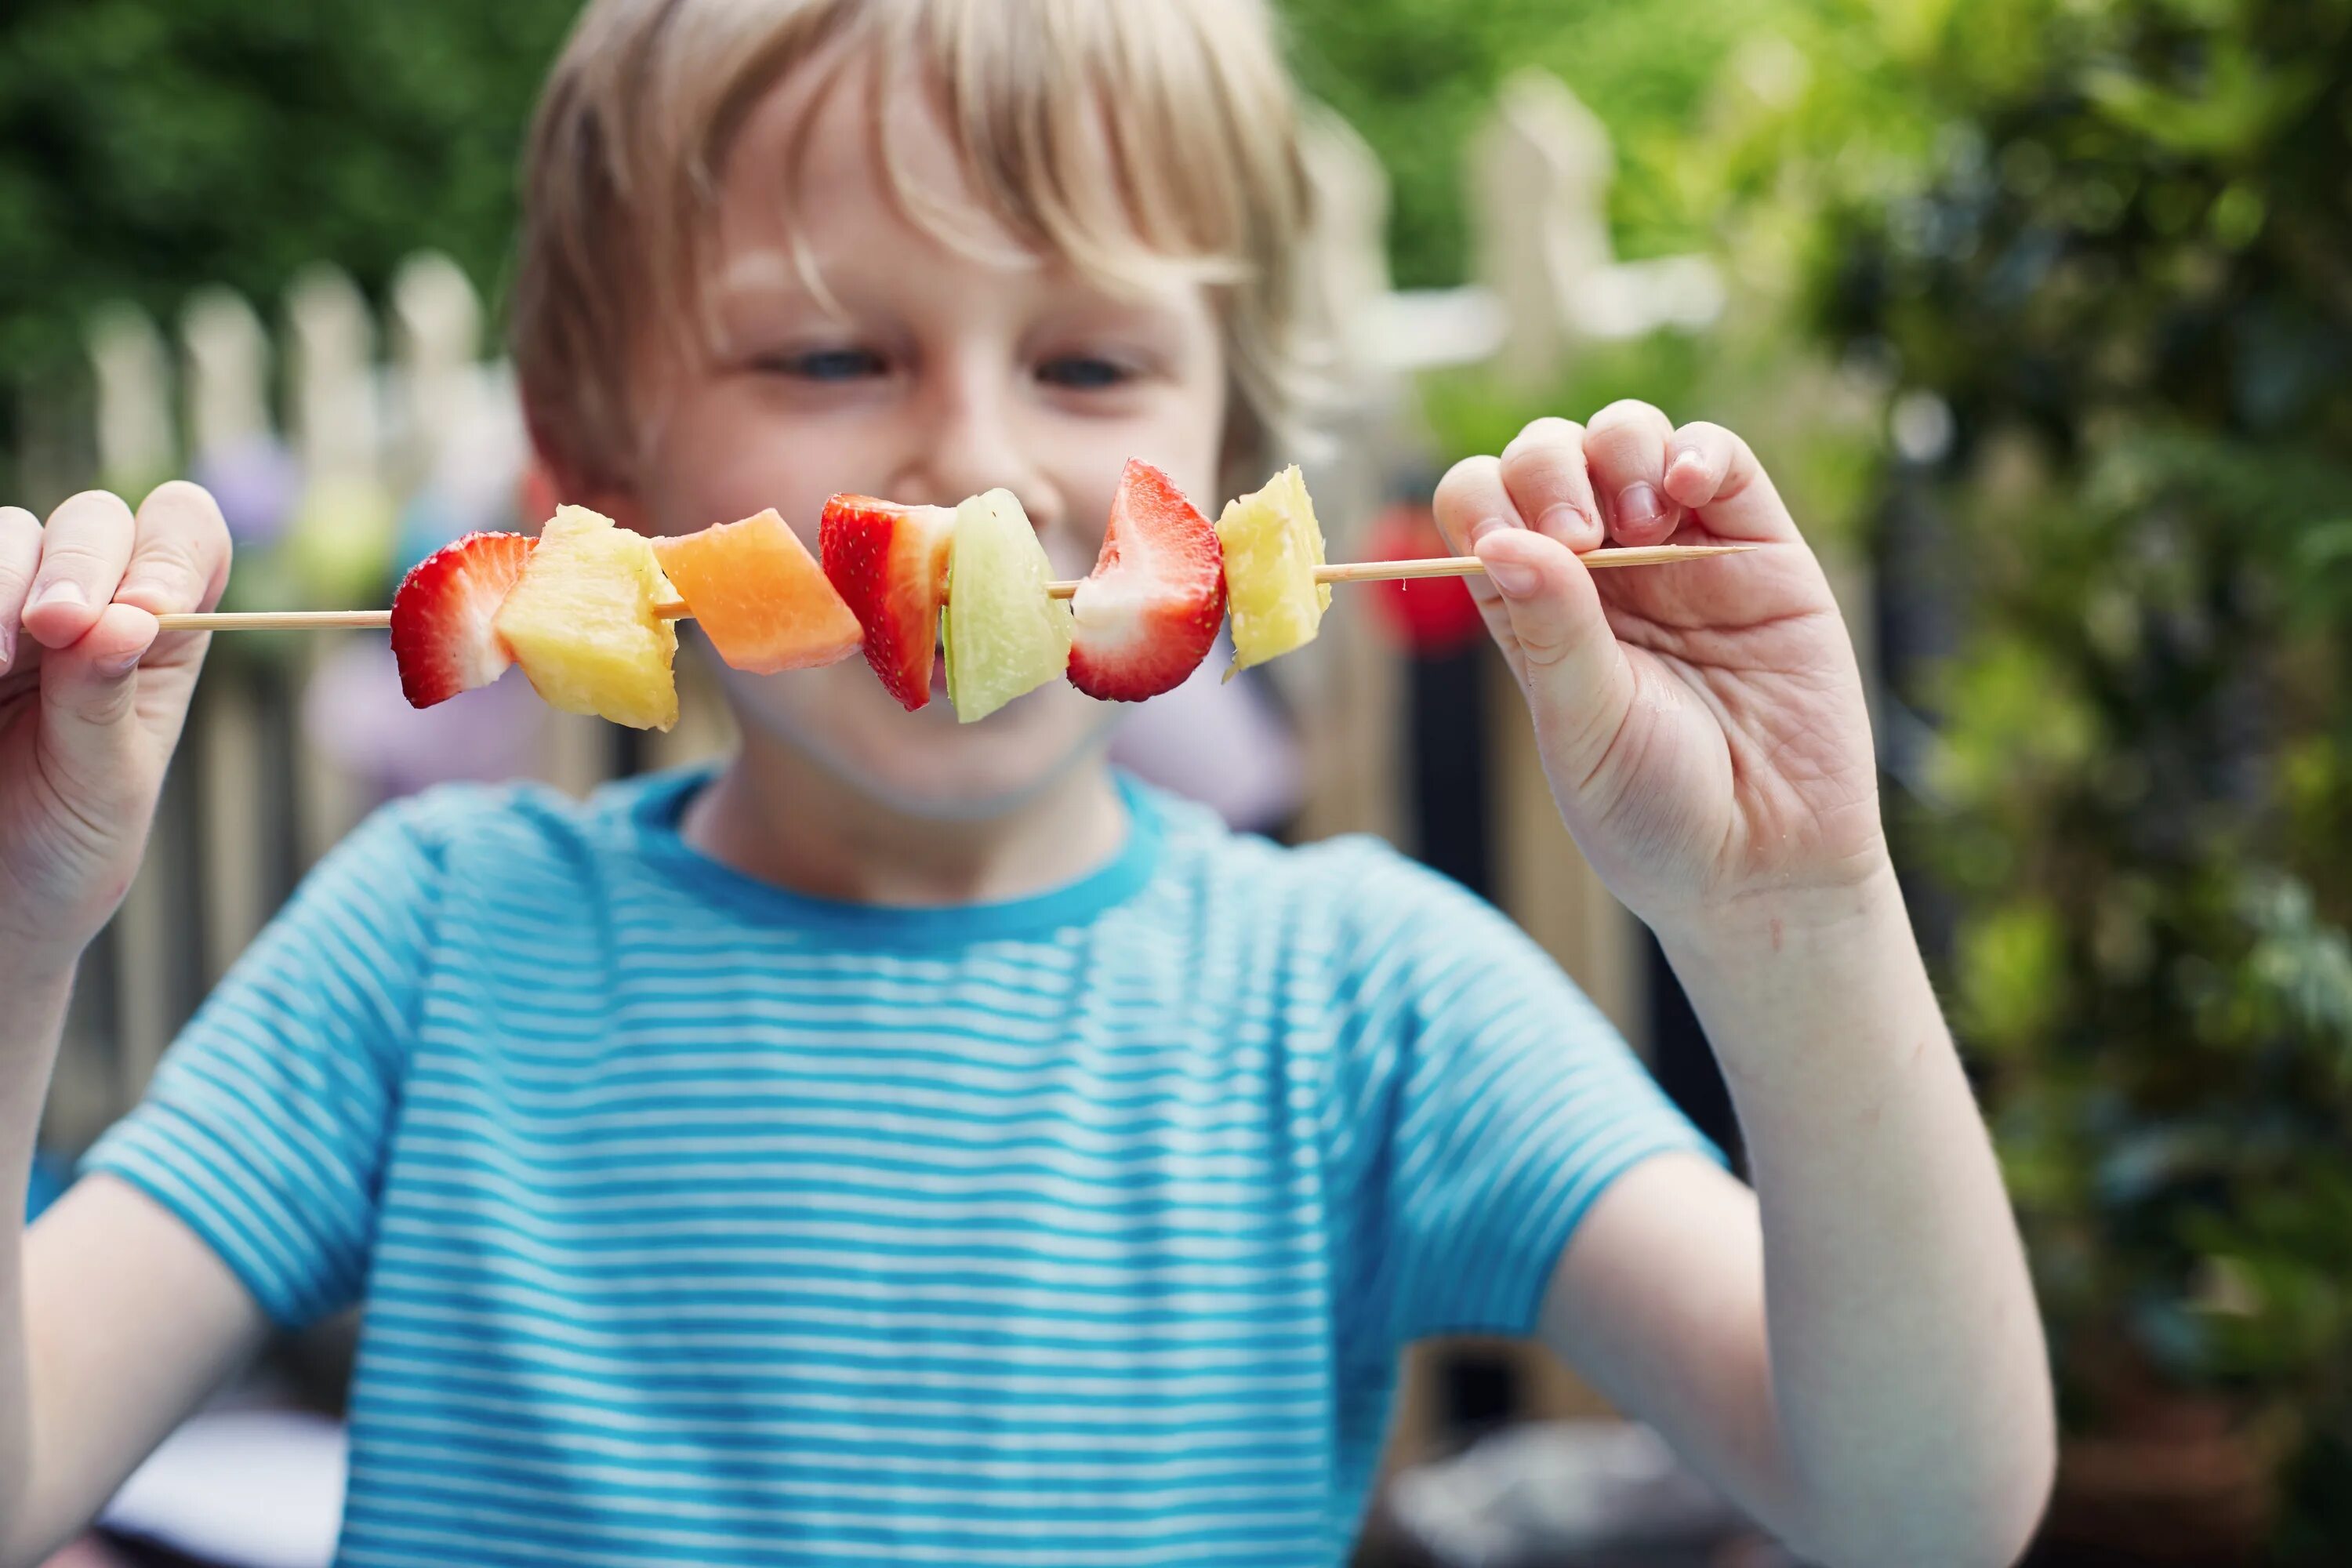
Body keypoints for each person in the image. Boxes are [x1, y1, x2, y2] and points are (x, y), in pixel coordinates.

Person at [0, 1, 2055, 1563]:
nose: (976, 470)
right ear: (594, 468)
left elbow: (1923, 1509)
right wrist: (13, 917)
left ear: (1234, 451)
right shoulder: (425, 949)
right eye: (827, 360)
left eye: (1087, 366)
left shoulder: (1364, 1004)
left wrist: (1793, 913)